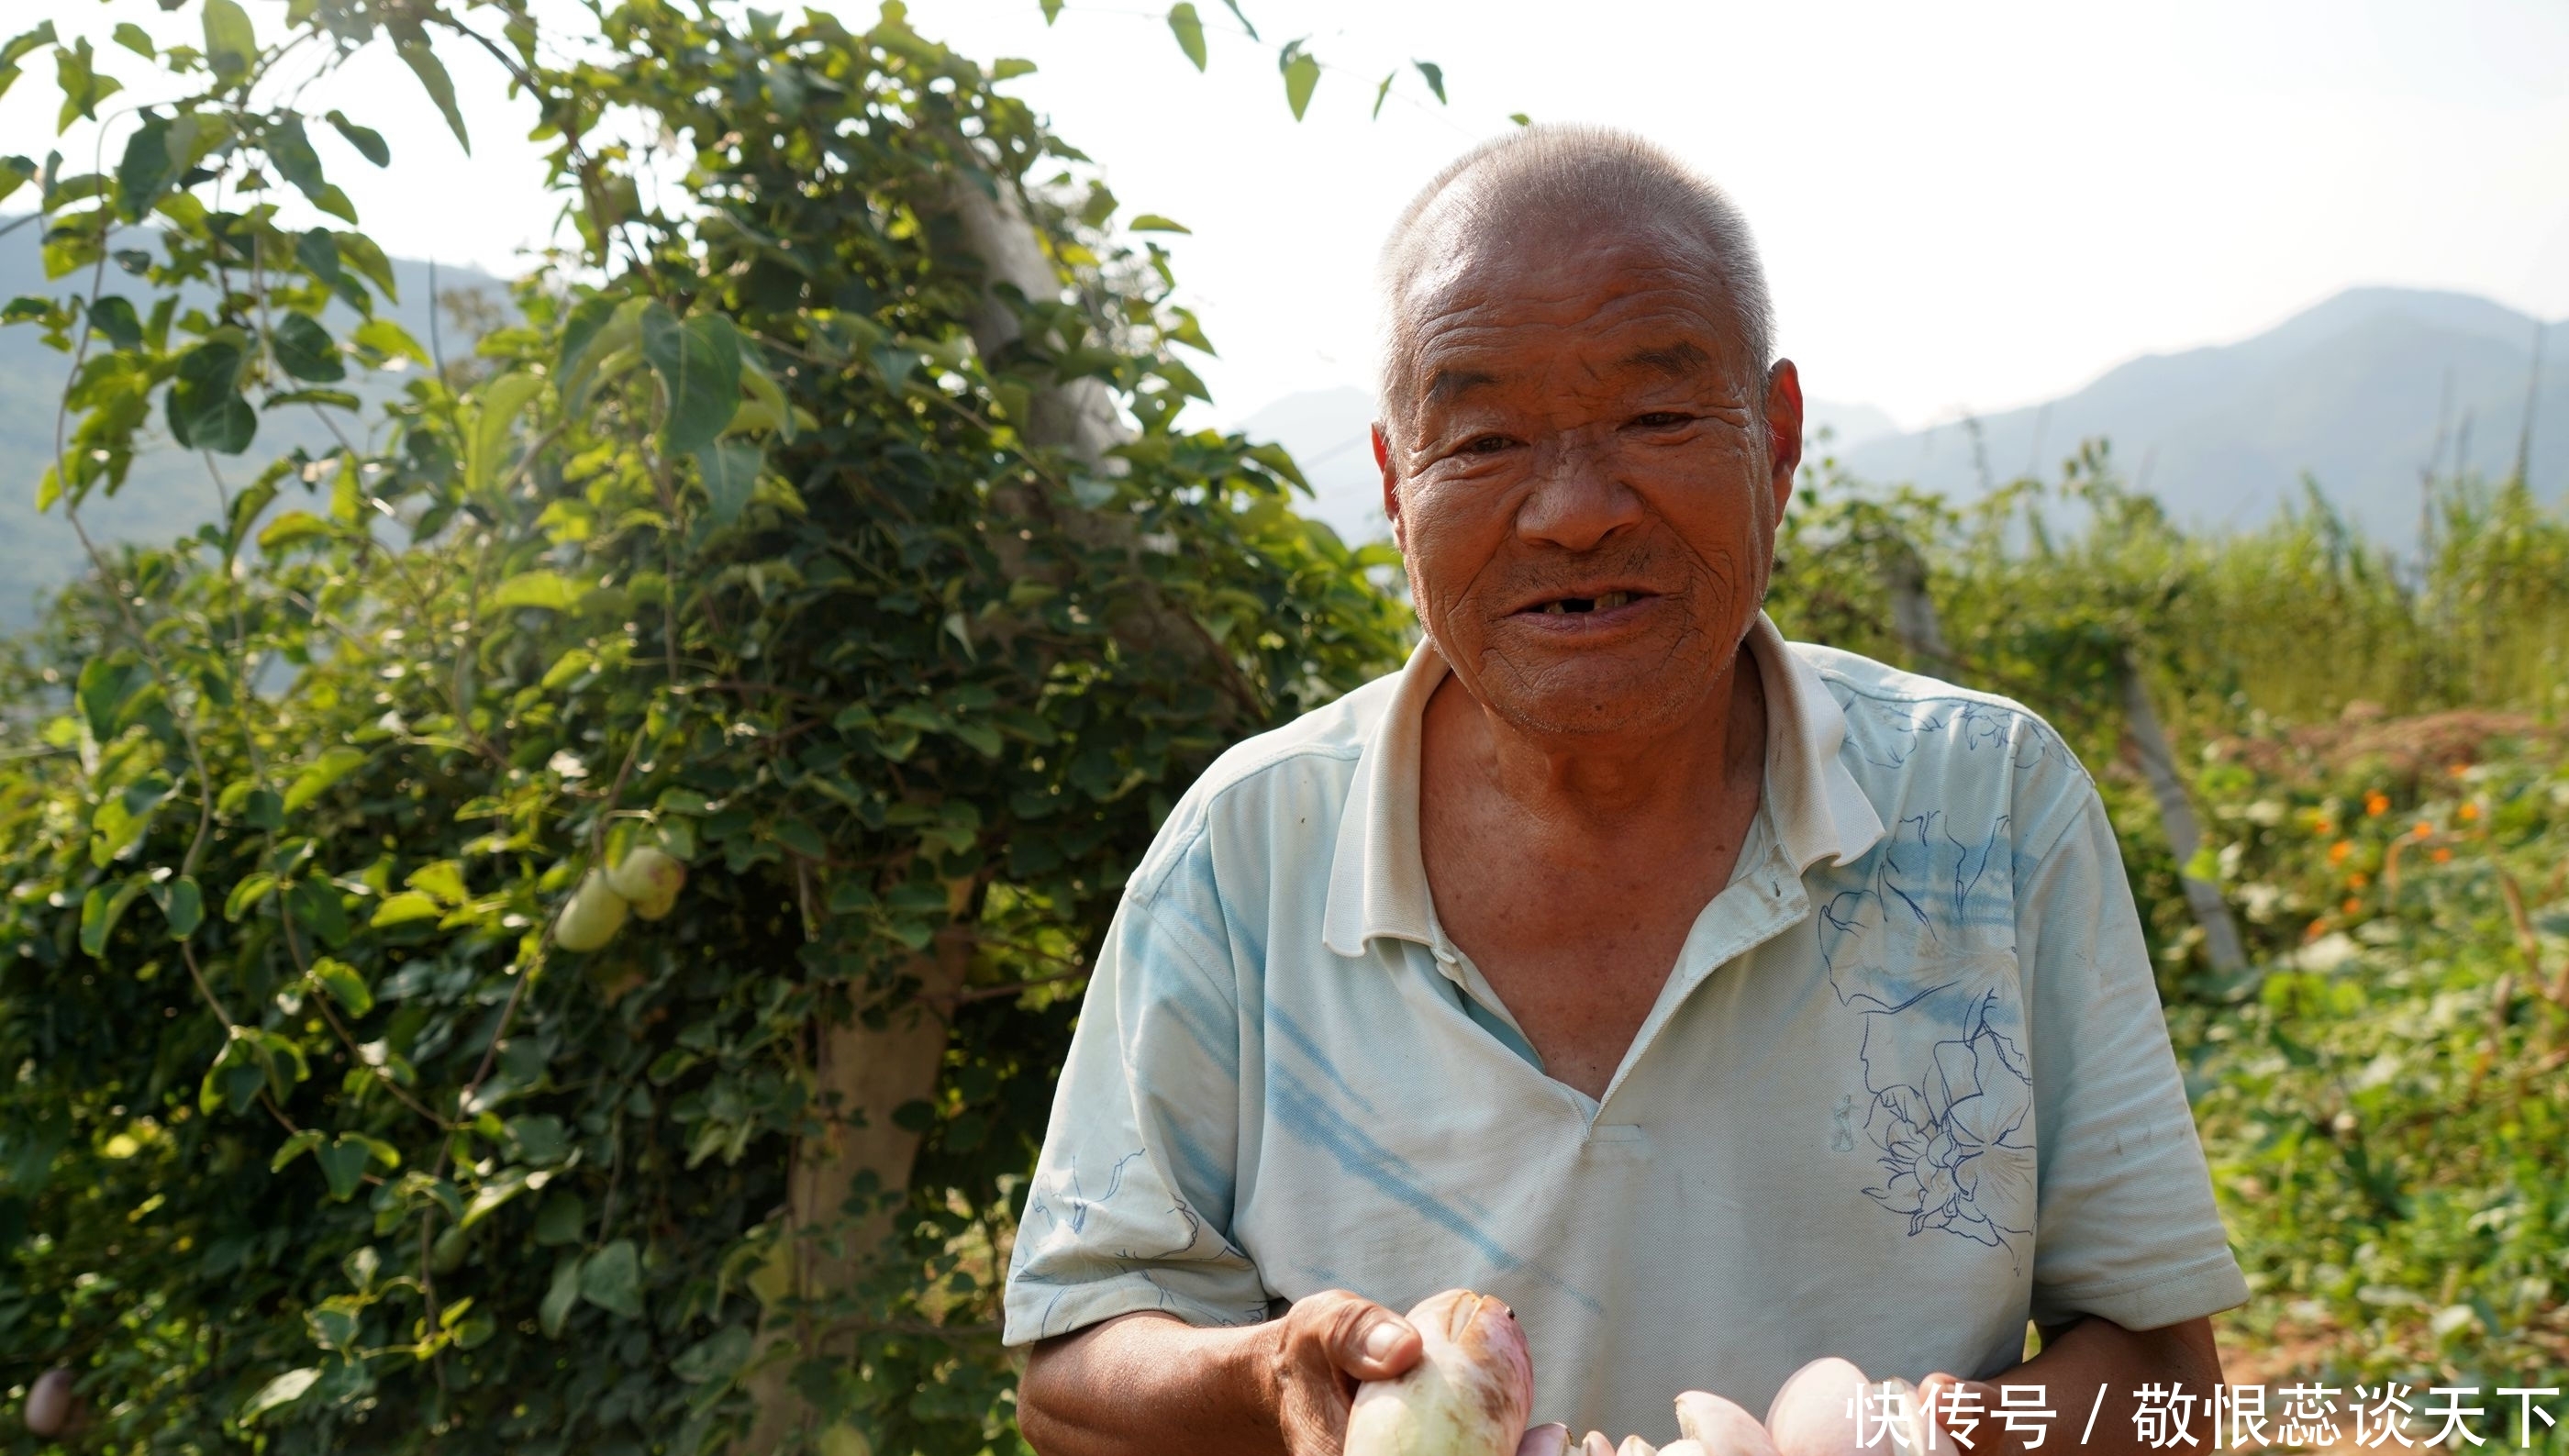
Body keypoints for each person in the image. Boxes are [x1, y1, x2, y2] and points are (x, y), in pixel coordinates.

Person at [1003, 126, 2245, 1453]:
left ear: (1776, 442)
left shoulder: (1987, 802)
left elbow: (2161, 1366)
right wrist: (1267, 1379)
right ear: (1393, 484)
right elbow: (1075, 1377)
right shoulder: (1251, 849)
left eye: (1657, 419)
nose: (1576, 512)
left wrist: (1926, 1440)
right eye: (1482, 440)